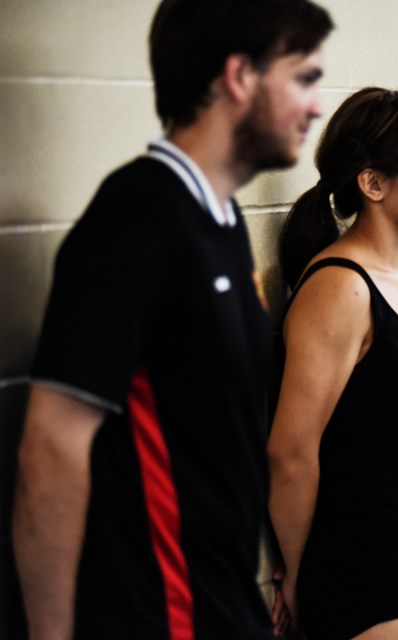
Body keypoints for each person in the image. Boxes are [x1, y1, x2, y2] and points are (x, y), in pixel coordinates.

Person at [11, 1, 331, 638]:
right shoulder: (136, 215)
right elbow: (51, 448)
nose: (317, 106)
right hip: (158, 612)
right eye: (304, 78)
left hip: (221, 601)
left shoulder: (223, 220)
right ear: (239, 76)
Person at [268, 87, 398, 640]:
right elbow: (290, 451)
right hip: (365, 563)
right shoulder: (339, 288)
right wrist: (299, 573)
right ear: (372, 183)